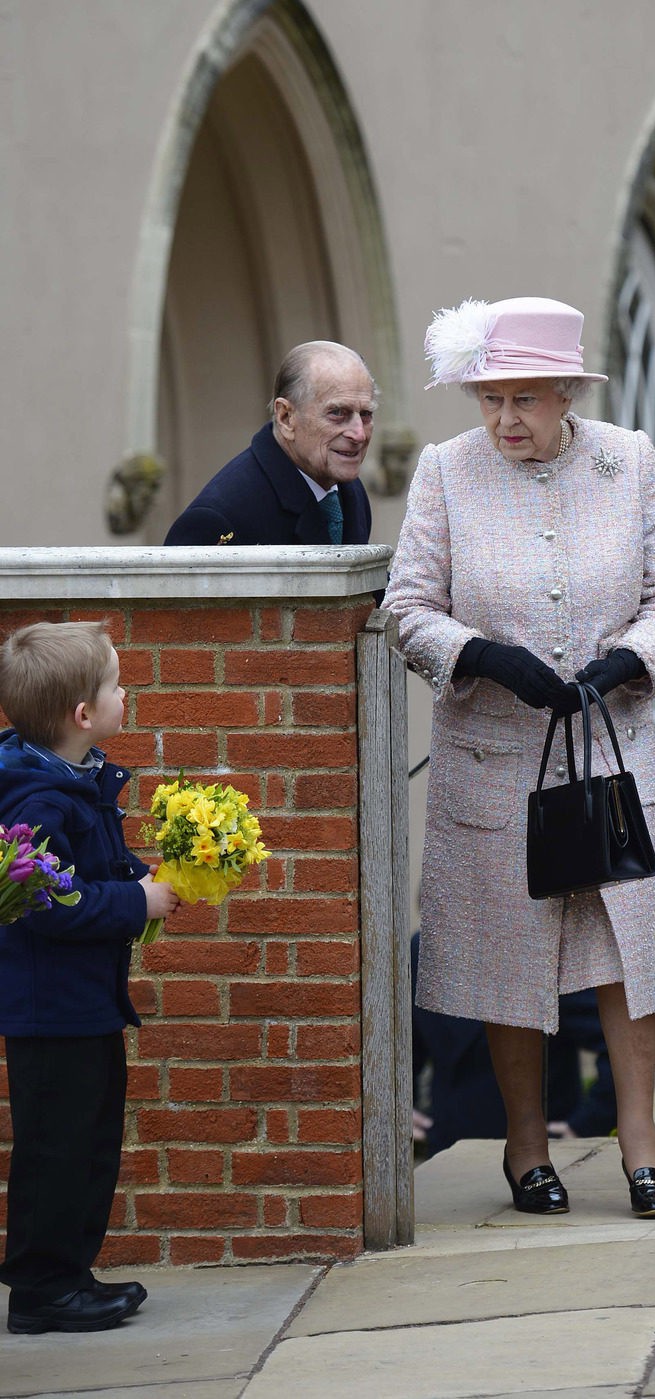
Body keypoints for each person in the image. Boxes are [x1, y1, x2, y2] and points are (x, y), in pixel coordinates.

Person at [384, 296, 655, 1217]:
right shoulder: (446, 472)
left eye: (524, 399)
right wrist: (482, 656)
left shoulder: (625, 459)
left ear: (567, 391)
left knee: (621, 950)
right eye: (489, 399)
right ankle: (526, 1150)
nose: (504, 420)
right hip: (494, 756)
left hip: (611, 752)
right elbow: (408, 607)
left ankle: (639, 1144)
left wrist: (628, 658)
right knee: (506, 954)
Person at [0, 621, 182, 1333]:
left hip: (88, 1003)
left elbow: (92, 870)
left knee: (91, 1139)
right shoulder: (40, 800)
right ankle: (43, 1288)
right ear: (82, 713)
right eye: (115, 682)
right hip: (53, 1008)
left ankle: (69, 1273)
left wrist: (141, 878)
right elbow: (48, 902)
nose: (124, 691)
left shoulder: (77, 778)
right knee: (58, 1147)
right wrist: (136, 901)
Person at [411, 930, 617, 1156]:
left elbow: (613, 1044)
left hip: (545, 1156)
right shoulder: (421, 951)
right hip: (449, 1153)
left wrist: (584, 1126)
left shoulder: (542, 952)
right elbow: (405, 1049)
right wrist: (396, 1111)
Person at [164, 341, 374, 546]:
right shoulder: (216, 520)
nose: (359, 434)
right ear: (286, 417)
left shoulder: (348, 489)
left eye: (365, 414)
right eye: (337, 413)